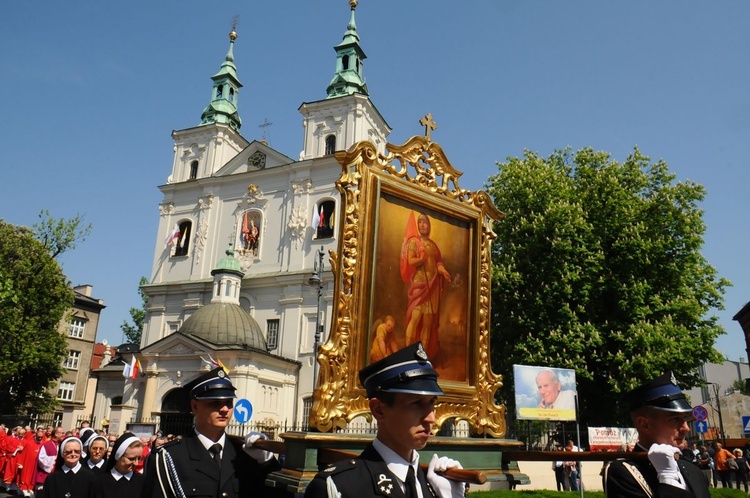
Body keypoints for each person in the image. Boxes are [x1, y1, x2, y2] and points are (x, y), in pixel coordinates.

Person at [304, 342, 466, 498]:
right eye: (416, 403)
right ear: (379, 410)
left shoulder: (435, 486)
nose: (431, 418)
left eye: (432, 403)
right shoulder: (338, 488)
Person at [142, 367, 281, 498]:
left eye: (229, 402)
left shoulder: (245, 454)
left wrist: (267, 463)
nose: (225, 409)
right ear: (195, 406)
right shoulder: (169, 457)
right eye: (215, 403)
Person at [604, 372, 710, 498]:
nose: (686, 428)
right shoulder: (624, 472)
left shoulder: (692, 469)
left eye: (685, 419)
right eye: (675, 419)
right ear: (644, 424)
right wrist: (668, 479)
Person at [401, 213, 451, 360]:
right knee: (415, 318)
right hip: (419, 284)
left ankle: (423, 357)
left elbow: (438, 262)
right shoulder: (414, 243)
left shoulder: (433, 245)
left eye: (425, 223)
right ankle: (408, 354)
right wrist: (420, 258)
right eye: (420, 222)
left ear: (429, 226)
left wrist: (443, 271)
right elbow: (411, 261)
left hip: (433, 285)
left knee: (428, 322)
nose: (423, 225)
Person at [99, 433, 144, 498]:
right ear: (118, 456)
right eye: (131, 459)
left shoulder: (143, 482)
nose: (136, 463)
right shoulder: (99, 482)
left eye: (139, 458)